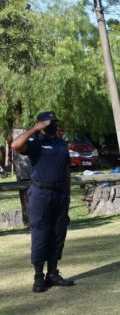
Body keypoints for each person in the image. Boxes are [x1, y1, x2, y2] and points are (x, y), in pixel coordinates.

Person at [11, 111, 74, 293]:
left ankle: (53, 273)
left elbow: (67, 170)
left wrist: (68, 197)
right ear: (40, 124)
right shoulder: (35, 142)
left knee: (58, 233)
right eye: (48, 123)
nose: (52, 125)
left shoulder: (62, 144)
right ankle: (39, 276)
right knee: (40, 233)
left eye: (53, 122)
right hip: (40, 193)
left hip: (60, 193)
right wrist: (35, 129)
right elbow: (15, 145)